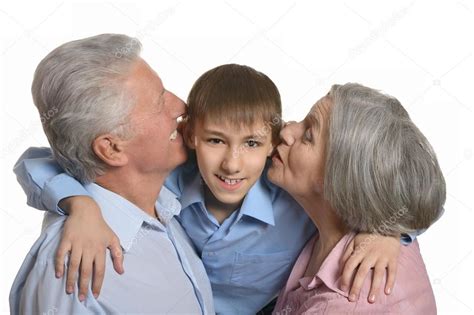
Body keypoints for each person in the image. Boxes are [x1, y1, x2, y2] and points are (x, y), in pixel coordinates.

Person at [14, 65, 425, 313]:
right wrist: (79, 203)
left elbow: (397, 186)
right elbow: (41, 160)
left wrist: (386, 231)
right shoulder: (168, 180)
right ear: (189, 135)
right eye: (214, 141)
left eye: (251, 144)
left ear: (271, 143)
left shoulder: (294, 196)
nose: (231, 164)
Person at [9, 34, 214, 314]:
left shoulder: (162, 204)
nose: (180, 106)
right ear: (112, 148)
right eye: (159, 102)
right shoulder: (73, 271)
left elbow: (38, 161)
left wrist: (80, 203)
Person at [271, 83, 445, 314]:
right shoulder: (375, 228)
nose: (285, 131)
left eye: (308, 135)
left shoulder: (346, 302)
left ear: (338, 179)